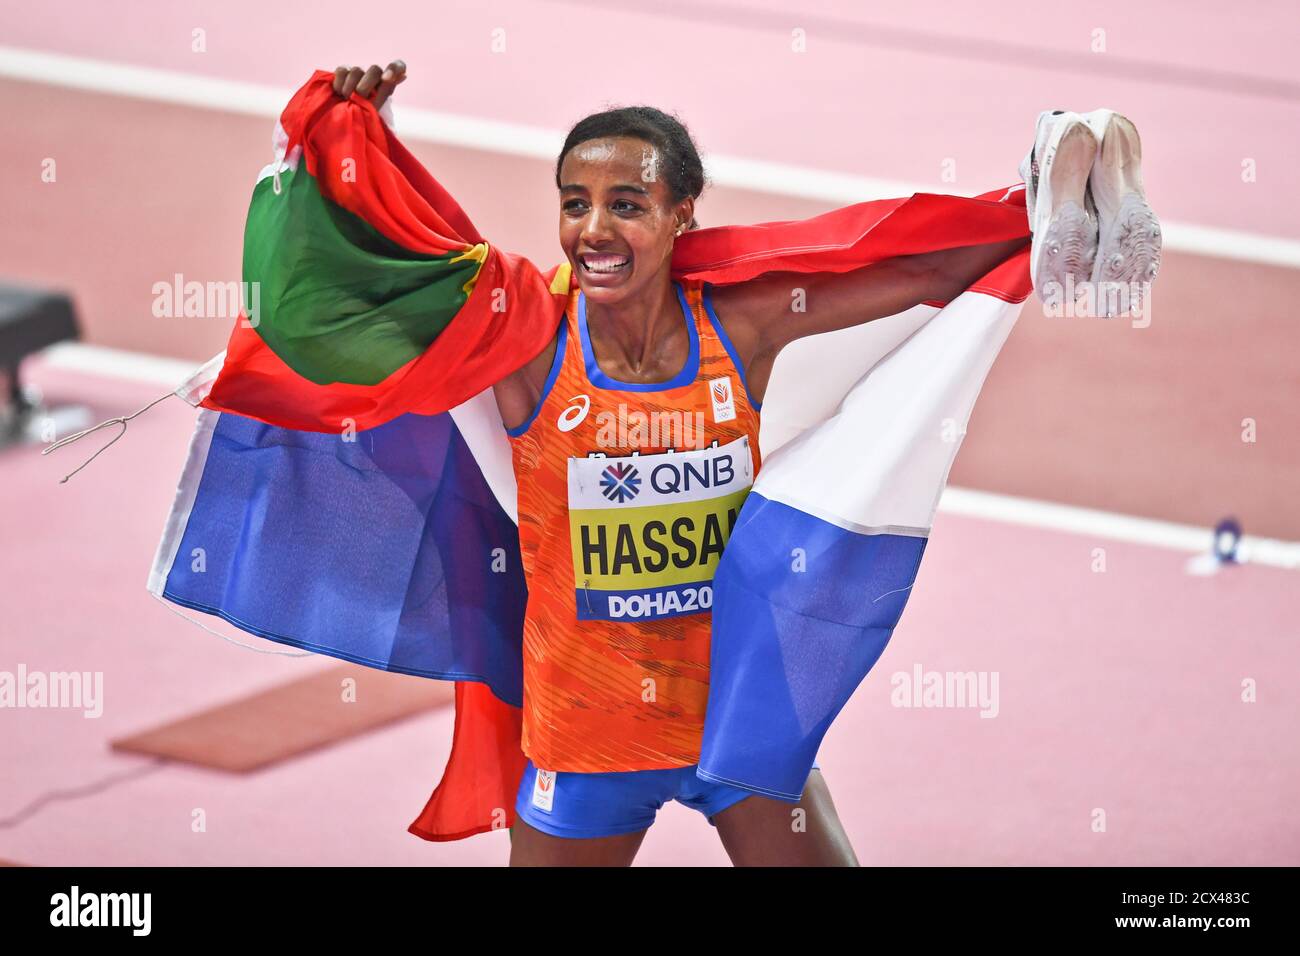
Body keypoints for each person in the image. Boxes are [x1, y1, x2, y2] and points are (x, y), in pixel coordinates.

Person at [332, 62, 1029, 867]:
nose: (594, 228)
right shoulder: (530, 344)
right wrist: (359, 148)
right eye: (575, 204)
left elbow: (927, 272)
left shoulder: (741, 329)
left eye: (626, 205)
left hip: (736, 724)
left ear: (679, 217)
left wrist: (1046, 218)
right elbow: (406, 275)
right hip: (586, 738)